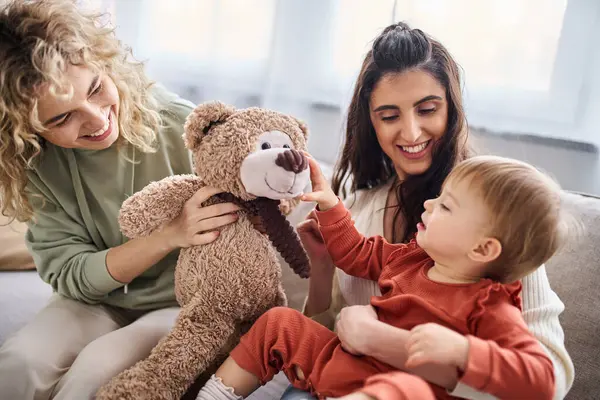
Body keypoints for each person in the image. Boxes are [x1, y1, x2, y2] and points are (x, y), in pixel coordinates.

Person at [282, 22, 574, 400]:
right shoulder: (355, 209)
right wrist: (322, 270)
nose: (412, 131)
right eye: (389, 116)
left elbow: (550, 380)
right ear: (370, 124)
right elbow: (321, 345)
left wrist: (391, 344)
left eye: (427, 109)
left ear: (451, 109)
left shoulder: (497, 215)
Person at [0, 1, 243, 399]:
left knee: (97, 370)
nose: (97, 119)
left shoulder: (180, 125)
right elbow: (70, 275)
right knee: (19, 363)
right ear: (26, 131)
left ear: (105, 64)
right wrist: (167, 236)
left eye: (96, 89)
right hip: (97, 300)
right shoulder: (36, 163)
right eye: (62, 118)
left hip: (186, 303)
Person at [197, 154, 568, 400]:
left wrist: (464, 351)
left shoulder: (492, 304)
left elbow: (540, 379)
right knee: (279, 323)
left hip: (395, 389)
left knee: (407, 389)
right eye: (438, 197)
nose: (429, 204)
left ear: (483, 250)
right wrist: (330, 204)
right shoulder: (412, 257)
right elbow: (355, 253)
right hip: (341, 364)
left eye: (447, 206)